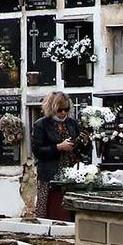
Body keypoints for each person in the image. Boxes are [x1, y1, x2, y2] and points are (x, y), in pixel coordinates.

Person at [28, 91, 79, 219]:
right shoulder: (41, 125)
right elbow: (37, 150)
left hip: (70, 171)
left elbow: (81, 149)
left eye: (66, 110)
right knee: (50, 206)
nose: (63, 113)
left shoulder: (72, 124)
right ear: (52, 108)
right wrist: (58, 147)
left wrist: (83, 142)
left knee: (67, 208)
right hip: (49, 172)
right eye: (60, 110)